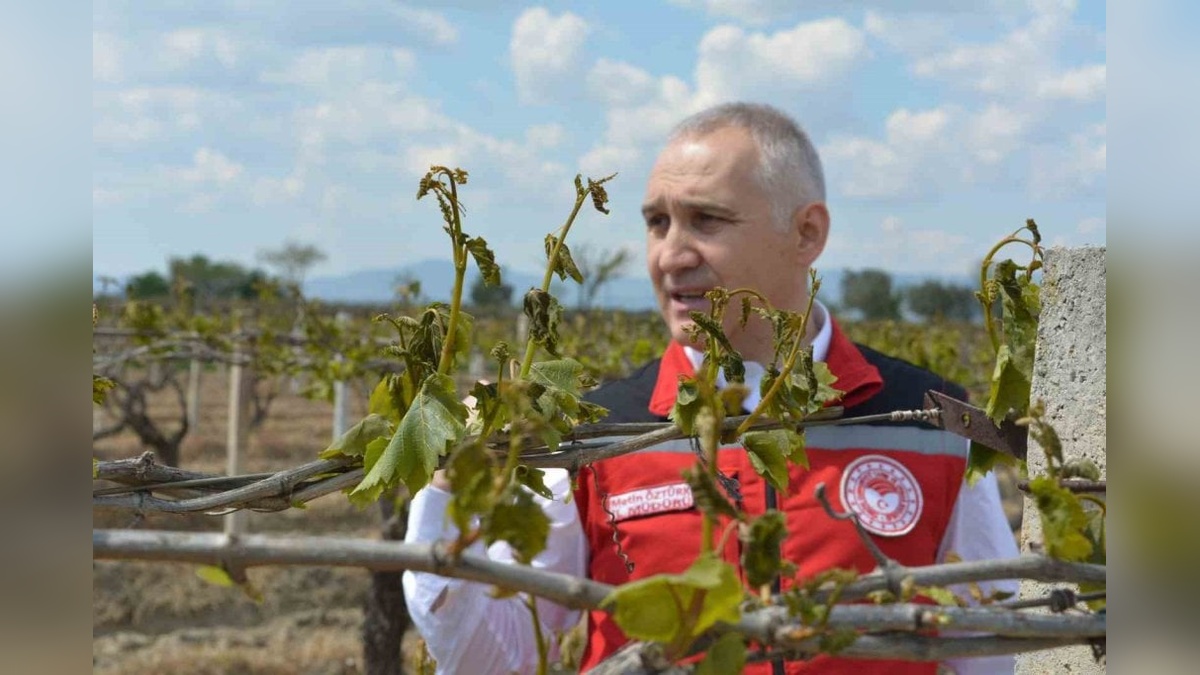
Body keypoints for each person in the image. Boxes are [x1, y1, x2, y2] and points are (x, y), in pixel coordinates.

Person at [403, 102, 1019, 674]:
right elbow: (498, 658)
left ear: (806, 234)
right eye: (657, 223)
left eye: (706, 220)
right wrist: (443, 500)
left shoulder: (931, 419)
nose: (670, 256)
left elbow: (988, 645)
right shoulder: (595, 430)